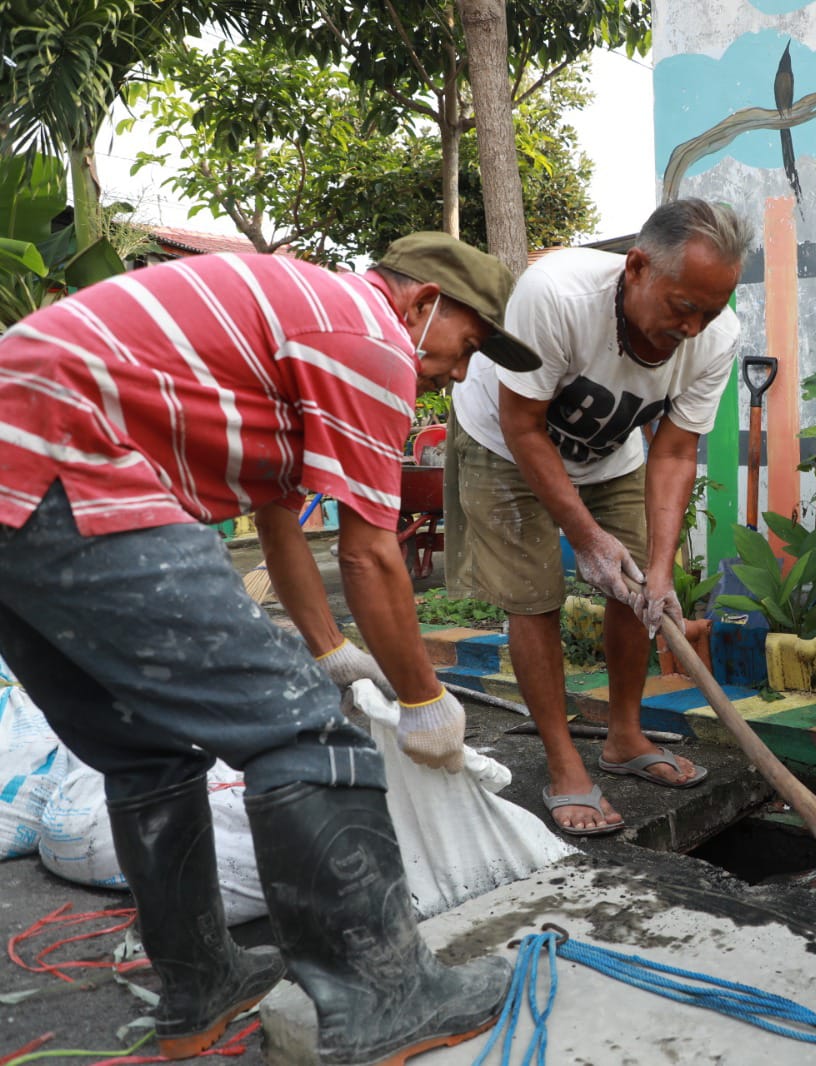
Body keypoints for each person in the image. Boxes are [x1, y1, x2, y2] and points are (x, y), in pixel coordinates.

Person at [0, 233, 538, 1061]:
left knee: (146, 753)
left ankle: (199, 985)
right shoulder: (368, 336)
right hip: (71, 457)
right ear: (424, 302)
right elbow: (369, 551)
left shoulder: (296, 328)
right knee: (303, 735)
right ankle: (386, 1000)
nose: (459, 374)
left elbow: (281, 520)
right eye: (467, 347)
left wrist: (329, 653)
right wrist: (424, 699)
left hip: (20, 477)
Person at [446, 198, 751, 836]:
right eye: (682, 307)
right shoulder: (556, 294)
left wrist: (661, 569)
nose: (693, 328)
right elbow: (523, 425)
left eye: (711, 311)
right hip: (504, 443)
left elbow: (674, 449)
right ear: (636, 267)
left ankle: (624, 736)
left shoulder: (715, 339)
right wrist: (585, 537)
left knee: (637, 591)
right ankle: (563, 762)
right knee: (534, 597)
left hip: (611, 455)